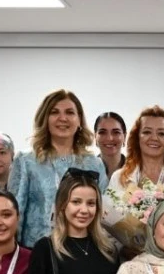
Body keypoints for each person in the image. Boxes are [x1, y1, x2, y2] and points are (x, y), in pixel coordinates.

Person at [9, 89, 108, 249]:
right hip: (36, 251)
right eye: (54, 112)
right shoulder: (26, 161)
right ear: (45, 118)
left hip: (82, 250)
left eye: (70, 112)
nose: (63, 118)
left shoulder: (94, 164)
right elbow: (14, 212)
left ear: (79, 120)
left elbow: (103, 214)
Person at [103, 106, 164, 256]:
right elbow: (107, 227)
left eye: (161, 133)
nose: (154, 138)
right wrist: (124, 250)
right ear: (137, 138)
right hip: (131, 263)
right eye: (147, 132)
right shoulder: (119, 177)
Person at [94, 112, 127, 178]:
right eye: (102, 132)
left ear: (124, 136)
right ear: (95, 136)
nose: (109, 138)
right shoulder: (84, 171)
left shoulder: (138, 170)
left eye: (116, 132)